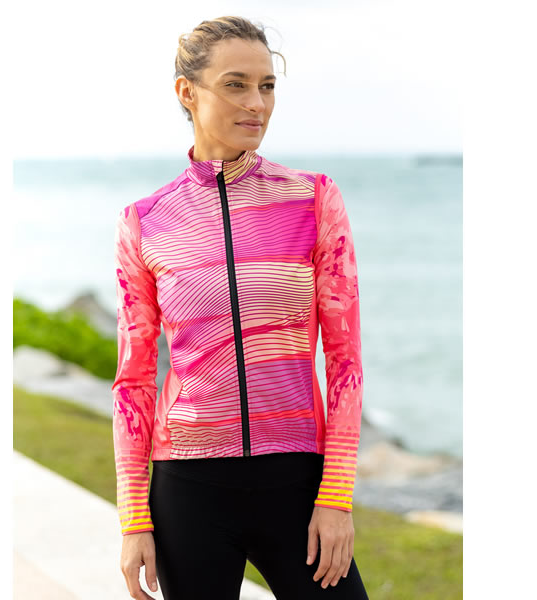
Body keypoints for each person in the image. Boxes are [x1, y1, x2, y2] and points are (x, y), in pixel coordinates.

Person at [112, 15, 369, 600]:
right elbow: (133, 381)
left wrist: (336, 497)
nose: (257, 103)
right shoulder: (145, 222)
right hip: (188, 491)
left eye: (267, 85)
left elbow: (345, 361)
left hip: (296, 482)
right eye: (235, 85)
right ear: (187, 92)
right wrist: (134, 519)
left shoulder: (313, 200)